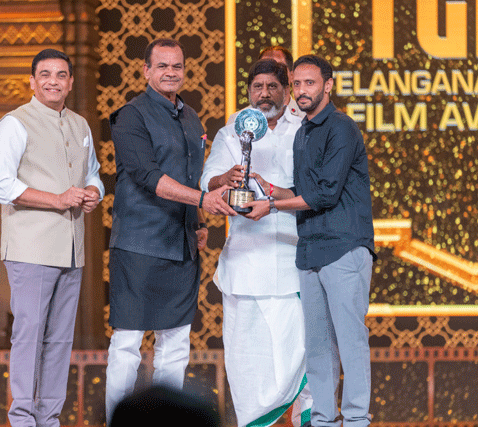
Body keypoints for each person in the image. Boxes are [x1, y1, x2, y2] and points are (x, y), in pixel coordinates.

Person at [105, 38, 236, 424]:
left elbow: (192, 176)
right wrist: (202, 200)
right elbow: (147, 176)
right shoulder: (130, 116)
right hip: (139, 243)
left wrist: (199, 219)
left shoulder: (191, 117)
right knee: (127, 343)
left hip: (181, 246)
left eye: (176, 66)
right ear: (146, 70)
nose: (170, 73)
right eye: (162, 66)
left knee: (176, 344)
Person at [242, 54, 376, 427]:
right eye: (297, 84)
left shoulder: (341, 128)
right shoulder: (304, 132)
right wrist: (270, 190)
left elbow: (325, 194)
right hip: (310, 250)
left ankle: (356, 420)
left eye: (310, 83)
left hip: (344, 248)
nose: (302, 90)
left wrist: (271, 205)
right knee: (317, 346)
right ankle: (322, 419)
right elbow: (303, 192)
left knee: (350, 341)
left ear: (328, 85)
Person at [0, 48, 104, 427]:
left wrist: (94, 191)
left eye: (61, 75)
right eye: (45, 74)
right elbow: (0, 184)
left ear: (70, 82)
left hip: (71, 249)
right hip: (31, 248)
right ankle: (22, 418)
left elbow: (93, 173)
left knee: (60, 339)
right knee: (29, 335)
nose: (53, 81)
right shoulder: (13, 124)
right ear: (32, 82)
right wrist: (57, 199)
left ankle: (49, 418)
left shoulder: (80, 125)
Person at [201, 59, 312, 427]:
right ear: (248, 91)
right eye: (257, 87)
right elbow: (207, 181)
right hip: (245, 264)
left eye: (272, 87)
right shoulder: (233, 130)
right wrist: (224, 179)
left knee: (299, 353)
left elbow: (315, 189)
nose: (264, 94)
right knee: (247, 360)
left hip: (293, 260)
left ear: (286, 91)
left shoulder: (305, 128)